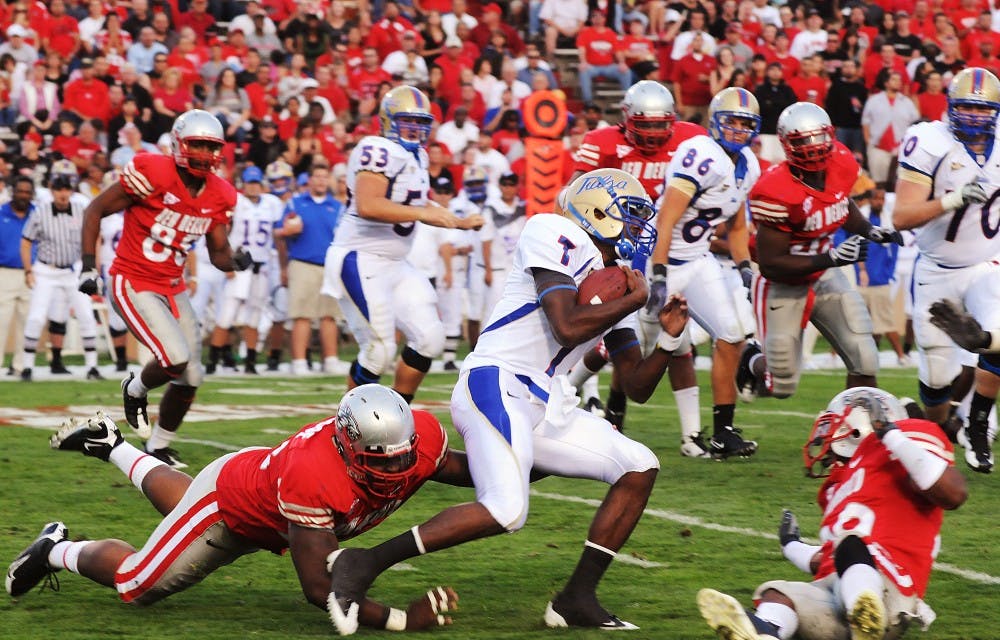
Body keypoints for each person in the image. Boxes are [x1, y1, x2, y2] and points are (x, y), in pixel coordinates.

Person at [324, 168, 689, 633]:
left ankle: (576, 598)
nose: (641, 230)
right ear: (596, 212)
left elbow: (635, 384)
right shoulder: (555, 231)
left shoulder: (615, 281)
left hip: (545, 400)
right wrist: (630, 302)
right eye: (631, 217)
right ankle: (364, 562)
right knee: (506, 508)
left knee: (638, 465)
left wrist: (669, 342)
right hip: (497, 380)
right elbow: (568, 325)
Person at [8, 385, 463, 633]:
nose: (398, 469)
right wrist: (402, 620)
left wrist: (531, 462)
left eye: (404, 454)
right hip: (229, 507)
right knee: (136, 582)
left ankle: (109, 444)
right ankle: (55, 549)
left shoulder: (418, 437)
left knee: (185, 506)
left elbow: (466, 470)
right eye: (380, 458)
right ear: (347, 446)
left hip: (258, 489)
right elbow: (320, 588)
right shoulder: (315, 475)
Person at [698, 387, 967, 640]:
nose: (826, 441)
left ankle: (864, 608)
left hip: (891, 589)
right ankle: (767, 632)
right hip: (838, 589)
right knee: (777, 594)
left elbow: (953, 494)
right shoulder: (839, 487)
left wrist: (891, 435)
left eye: (836, 427)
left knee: (850, 544)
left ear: (859, 429)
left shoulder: (903, 443)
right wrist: (791, 546)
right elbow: (827, 559)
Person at [78, 109, 252, 469]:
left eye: (210, 146)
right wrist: (87, 265)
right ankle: (135, 389)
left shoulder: (220, 193)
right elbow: (94, 209)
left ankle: (157, 446)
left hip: (173, 287)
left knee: (191, 376)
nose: (204, 153)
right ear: (178, 144)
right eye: (197, 145)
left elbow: (218, 252)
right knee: (174, 357)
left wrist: (235, 260)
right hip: (133, 279)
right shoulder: (152, 172)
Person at [322, 85, 483, 403]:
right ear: (387, 120)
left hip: (396, 263)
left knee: (430, 338)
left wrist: (458, 221)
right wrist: (424, 212)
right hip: (361, 257)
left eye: (421, 123)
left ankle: (398, 411)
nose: (415, 129)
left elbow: (418, 202)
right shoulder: (376, 149)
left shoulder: (418, 156)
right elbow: (369, 205)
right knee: (379, 350)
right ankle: (351, 425)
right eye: (407, 120)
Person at [736, 102, 902, 401]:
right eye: (803, 142)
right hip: (783, 281)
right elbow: (773, 264)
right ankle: (752, 359)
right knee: (781, 385)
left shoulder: (841, 160)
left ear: (831, 135)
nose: (813, 148)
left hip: (825, 273)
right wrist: (833, 257)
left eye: (819, 139)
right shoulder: (774, 189)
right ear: (787, 145)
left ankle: (854, 433)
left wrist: (869, 230)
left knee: (864, 358)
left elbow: (839, 201)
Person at [569, 80, 704, 434]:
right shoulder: (602, 144)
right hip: (609, 253)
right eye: (646, 124)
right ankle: (573, 394)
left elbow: (638, 386)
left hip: (651, 251)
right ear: (627, 120)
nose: (655, 133)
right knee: (593, 334)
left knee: (622, 341)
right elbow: (575, 196)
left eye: (662, 124)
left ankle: (584, 401)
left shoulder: (690, 141)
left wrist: (668, 338)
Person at [891, 67, 1000, 473]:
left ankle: (978, 422)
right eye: (967, 107)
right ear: (951, 108)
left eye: (983, 109)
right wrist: (952, 201)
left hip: (988, 262)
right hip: (937, 268)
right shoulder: (929, 141)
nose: (974, 116)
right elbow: (902, 216)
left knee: (997, 336)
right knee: (937, 379)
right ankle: (936, 436)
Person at [646, 87, 761, 459]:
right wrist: (659, 272)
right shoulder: (701, 155)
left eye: (747, 124)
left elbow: (738, 227)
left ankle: (723, 431)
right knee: (630, 347)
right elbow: (668, 218)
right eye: (732, 122)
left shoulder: (749, 165)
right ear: (715, 122)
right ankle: (601, 405)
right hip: (657, 259)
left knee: (731, 335)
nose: (739, 130)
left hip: (697, 261)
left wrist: (745, 267)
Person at [20, 176, 103, 382]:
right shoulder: (40, 213)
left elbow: (95, 237)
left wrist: (93, 267)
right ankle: (27, 367)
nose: (63, 193)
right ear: (52, 190)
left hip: (73, 269)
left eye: (66, 189)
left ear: (71, 191)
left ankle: (92, 367)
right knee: (36, 316)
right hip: (46, 269)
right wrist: (28, 270)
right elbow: (26, 241)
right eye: (59, 189)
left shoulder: (81, 210)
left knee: (85, 314)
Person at [206, 166, 284, 375]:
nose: (253, 187)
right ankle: (212, 361)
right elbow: (222, 228)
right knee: (227, 314)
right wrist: (227, 263)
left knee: (255, 315)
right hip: (240, 265)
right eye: (250, 183)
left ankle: (250, 362)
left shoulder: (272, 203)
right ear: (244, 184)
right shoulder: (236, 202)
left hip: (262, 266)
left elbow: (278, 231)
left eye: (256, 183)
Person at [275, 164, 344, 376]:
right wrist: (287, 232)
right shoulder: (295, 203)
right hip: (302, 262)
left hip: (330, 265)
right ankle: (299, 361)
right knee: (302, 315)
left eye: (325, 176)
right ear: (310, 179)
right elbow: (277, 232)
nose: (321, 180)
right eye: (317, 176)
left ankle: (331, 359)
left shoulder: (338, 207)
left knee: (329, 315)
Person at [0, 177, 36, 376]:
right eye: (20, 191)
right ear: (13, 192)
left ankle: (20, 365)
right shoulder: (1, 213)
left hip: (31, 273)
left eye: (27, 192)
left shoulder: (37, 214)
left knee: (27, 321)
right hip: (4, 272)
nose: (24, 195)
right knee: (1, 320)